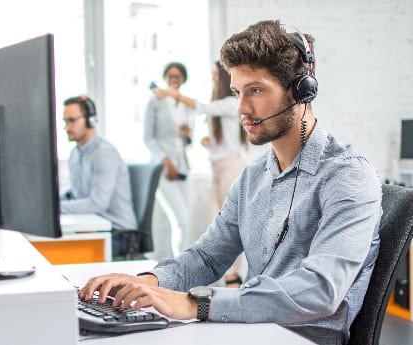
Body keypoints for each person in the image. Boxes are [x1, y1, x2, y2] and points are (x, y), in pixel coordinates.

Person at [79, 20, 382, 345]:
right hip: (248, 332)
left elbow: (321, 290)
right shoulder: (253, 178)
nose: (241, 109)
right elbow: (206, 258)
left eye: (255, 90)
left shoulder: (348, 176)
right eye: (237, 92)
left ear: (301, 90)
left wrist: (196, 303)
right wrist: (149, 281)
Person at [154, 61, 248, 287]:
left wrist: (170, 94)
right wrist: (209, 142)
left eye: (216, 76)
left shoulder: (231, 102)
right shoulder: (221, 105)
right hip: (217, 169)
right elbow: (220, 134)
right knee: (215, 224)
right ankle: (224, 277)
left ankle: (234, 277)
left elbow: (201, 107)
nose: (214, 79)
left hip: (231, 169)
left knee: (234, 226)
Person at [60, 96, 138, 257]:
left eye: (72, 120)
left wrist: (55, 209)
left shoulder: (103, 153)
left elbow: (97, 204)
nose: (67, 127)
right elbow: (76, 193)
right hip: (93, 227)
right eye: (65, 121)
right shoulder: (75, 153)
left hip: (118, 234)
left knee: (64, 256)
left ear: (90, 121)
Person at [144, 62, 194, 257]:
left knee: (186, 222)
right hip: (163, 168)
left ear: (183, 80)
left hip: (183, 168)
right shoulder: (155, 101)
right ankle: (180, 270)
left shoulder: (186, 105)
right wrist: (165, 161)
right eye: (171, 76)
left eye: (178, 77)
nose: (174, 80)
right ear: (165, 78)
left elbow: (188, 142)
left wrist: (188, 135)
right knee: (180, 220)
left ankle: (182, 265)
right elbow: (148, 138)